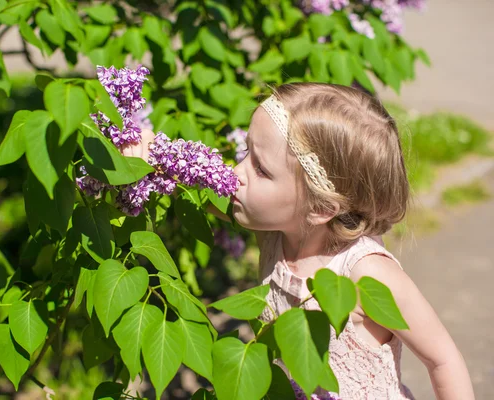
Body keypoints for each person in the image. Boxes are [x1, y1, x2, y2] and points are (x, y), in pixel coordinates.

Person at [123, 82, 474, 399]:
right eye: (246, 152)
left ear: (320, 207)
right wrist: (152, 154)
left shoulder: (365, 273)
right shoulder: (276, 231)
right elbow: (205, 186)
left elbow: (443, 359)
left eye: (260, 169)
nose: (237, 172)